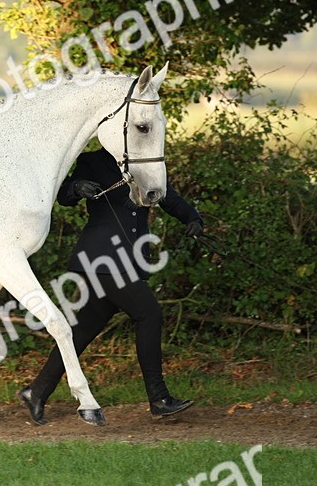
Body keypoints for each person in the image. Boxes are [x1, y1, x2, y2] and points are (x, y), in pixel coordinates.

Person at [18, 147, 202, 424]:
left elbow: (167, 196)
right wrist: (77, 186)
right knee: (149, 313)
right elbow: (64, 195)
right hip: (100, 258)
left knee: (82, 331)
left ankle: (37, 390)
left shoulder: (146, 160)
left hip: (128, 259)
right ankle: (159, 398)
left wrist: (192, 217)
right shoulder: (93, 161)